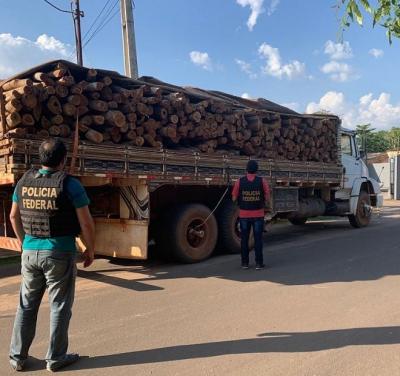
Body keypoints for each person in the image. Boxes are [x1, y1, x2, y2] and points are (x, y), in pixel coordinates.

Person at [9, 138, 95, 372]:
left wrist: (23, 242)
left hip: (29, 252)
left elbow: (13, 216)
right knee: (59, 306)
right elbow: (86, 223)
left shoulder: (23, 182)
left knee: (26, 306)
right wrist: (90, 248)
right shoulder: (70, 184)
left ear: (40, 157)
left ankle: (17, 357)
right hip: (59, 252)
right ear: (64, 160)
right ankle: (56, 358)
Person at [232, 160, 271, 270]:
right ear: (257, 170)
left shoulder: (239, 181)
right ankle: (259, 263)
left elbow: (234, 198)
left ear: (246, 169)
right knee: (258, 239)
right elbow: (267, 197)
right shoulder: (262, 181)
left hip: (244, 215)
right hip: (258, 215)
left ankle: (244, 263)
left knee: (244, 240)